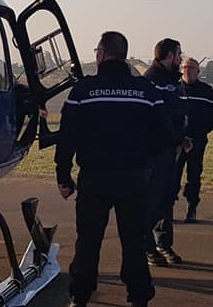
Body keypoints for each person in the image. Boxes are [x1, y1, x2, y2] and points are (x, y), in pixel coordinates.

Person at [56, 31, 174, 307]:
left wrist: (64, 175)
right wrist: (143, 158)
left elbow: (67, 136)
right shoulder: (146, 91)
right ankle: (139, 297)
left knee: (88, 241)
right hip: (134, 179)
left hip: (94, 179)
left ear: (103, 54)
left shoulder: (84, 90)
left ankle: (80, 296)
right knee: (134, 241)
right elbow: (165, 137)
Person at [143, 38, 189, 265]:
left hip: (171, 149)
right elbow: (158, 119)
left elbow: (176, 114)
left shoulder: (173, 80)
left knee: (167, 198)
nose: (181, 59)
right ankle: (147, 246)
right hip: (155, 152)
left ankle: (164, 244)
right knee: (152, 201)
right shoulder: (151, 80)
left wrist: (182, 137)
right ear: (170, 55)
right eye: (179, 54)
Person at [177, 57, 213, 223]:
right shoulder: (174, 89)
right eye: (185, 67)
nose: (188, 70)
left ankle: (191, 208)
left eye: (192, 68)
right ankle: (167, 210)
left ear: (198, 71)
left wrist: (202, 131)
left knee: (194, 176)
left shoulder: (207, 91)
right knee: (173, 175)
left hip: (197, 141)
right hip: (177, 141)